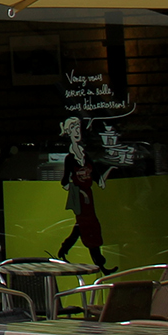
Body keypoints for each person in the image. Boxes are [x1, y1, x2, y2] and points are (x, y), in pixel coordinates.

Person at [56, 116, 115, 271]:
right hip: (81, 199)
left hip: (89, 197)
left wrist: (108, 172)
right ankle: (101, 264)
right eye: (74, 129)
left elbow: (96, 176)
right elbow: (64, 182)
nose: (77, 132)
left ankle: (63, 251)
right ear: (68, 132)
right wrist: (76, 191)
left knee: (83, 227)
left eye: (79, 129)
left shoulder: (84, 155)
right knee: (88, 227)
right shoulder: (70, 158)